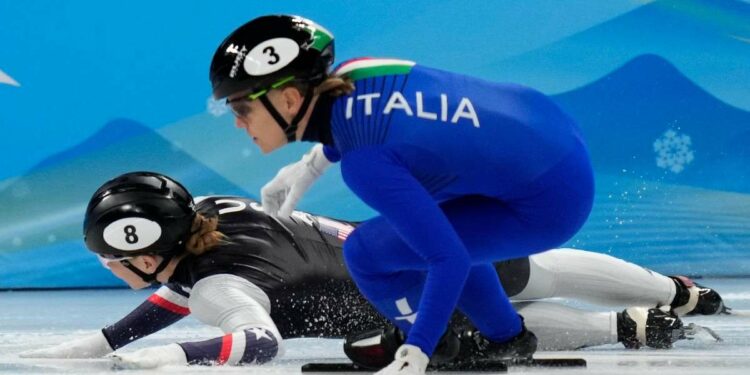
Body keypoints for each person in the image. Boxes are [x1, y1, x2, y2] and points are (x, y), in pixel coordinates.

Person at [19, 172, 726, 369]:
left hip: (403, 302)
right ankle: (681, 293)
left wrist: (174, 355)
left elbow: (255, 341)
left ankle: (623, 325)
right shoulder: (214, 208)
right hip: (406, 244)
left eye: (114, 259)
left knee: (481, 331)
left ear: (146, 249)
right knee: (529, 268)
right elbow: (188, 288)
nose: (115, 270)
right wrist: (107, 340)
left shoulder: (214, 286)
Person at [209, 14, 595, 374]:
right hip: (549, 131)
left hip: (549, 204)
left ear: (290, 100)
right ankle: (507, 339)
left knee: (366, 252)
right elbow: (383, 121)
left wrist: (421, 347)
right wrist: (311, 165)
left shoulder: (365, 165)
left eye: (242, 108)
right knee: (437, 219)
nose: (239, 124)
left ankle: (436, 340)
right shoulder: (355, 72)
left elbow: (449, 259)